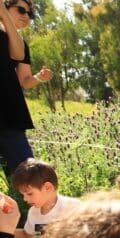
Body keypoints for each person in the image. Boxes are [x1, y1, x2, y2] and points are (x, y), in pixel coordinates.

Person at [0, 0, 52, 178]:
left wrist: (38, 77)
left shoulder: (20, 43)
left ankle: (27, 205)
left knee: (25, 174)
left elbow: (24, 79)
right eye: (21, 10)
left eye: (29, 14)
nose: (25, 16)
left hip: (9, 112)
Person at [11, 158, 79, 238]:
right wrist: (5, 231)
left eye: (29, 194)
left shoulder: (72, 206)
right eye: (23, 194)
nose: (24, 199)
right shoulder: (34, 212)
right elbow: (26, 234)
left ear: (48, 187)